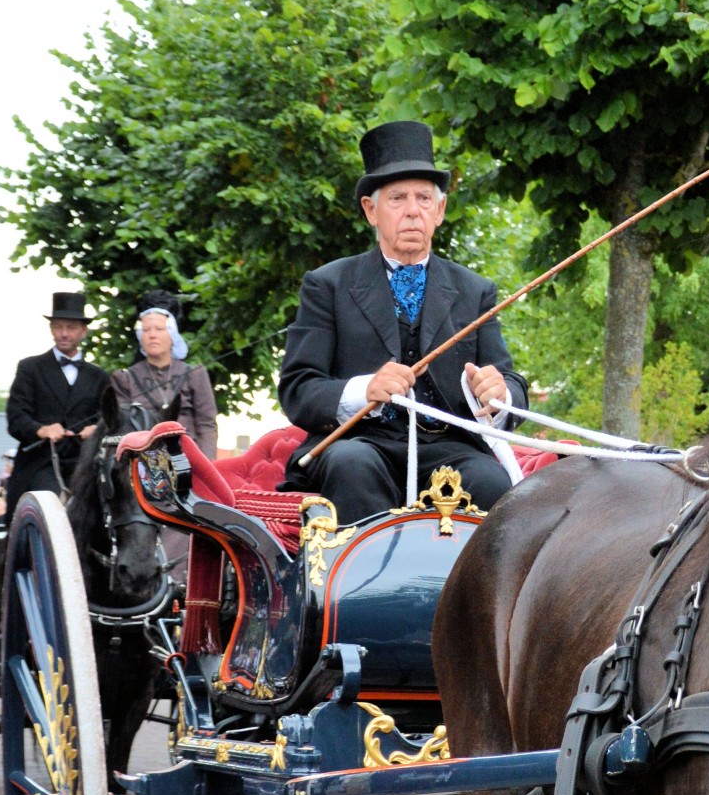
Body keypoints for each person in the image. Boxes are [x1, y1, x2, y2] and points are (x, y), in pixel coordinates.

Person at [277, 120, 528, 522]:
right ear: (371, 210)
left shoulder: (474, 290)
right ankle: (367, 586)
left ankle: (462, 588)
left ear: (440, 210)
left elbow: (511, 386)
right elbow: (298, 389)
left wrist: (498, 395)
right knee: (352, 466)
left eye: (424, 199)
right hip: (358, 442)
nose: (413, 210)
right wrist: (364, 390)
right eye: (397, 198)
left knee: (490, 481)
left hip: (448, 447)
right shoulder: (327, 285)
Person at [5, 292, 110, 517]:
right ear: (51, 329)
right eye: (58, 327)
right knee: (47, 508)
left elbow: (109, 418)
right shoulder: (29, 368)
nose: (63, 334)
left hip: (85, 463)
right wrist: (41, 430)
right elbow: (15, 417)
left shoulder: (100, 376)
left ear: (83, 330)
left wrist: (96, 430)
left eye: (70, 328)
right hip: (41, 462)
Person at [110, 290, 218, 460]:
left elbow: (206, 424)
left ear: (172, 334)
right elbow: (123, 428)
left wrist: (206, 464)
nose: (152, 335)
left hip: (189, 459)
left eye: (159, 329)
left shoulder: (195, 374)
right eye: (146, 330)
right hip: (143, 461)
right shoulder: (125, 378)